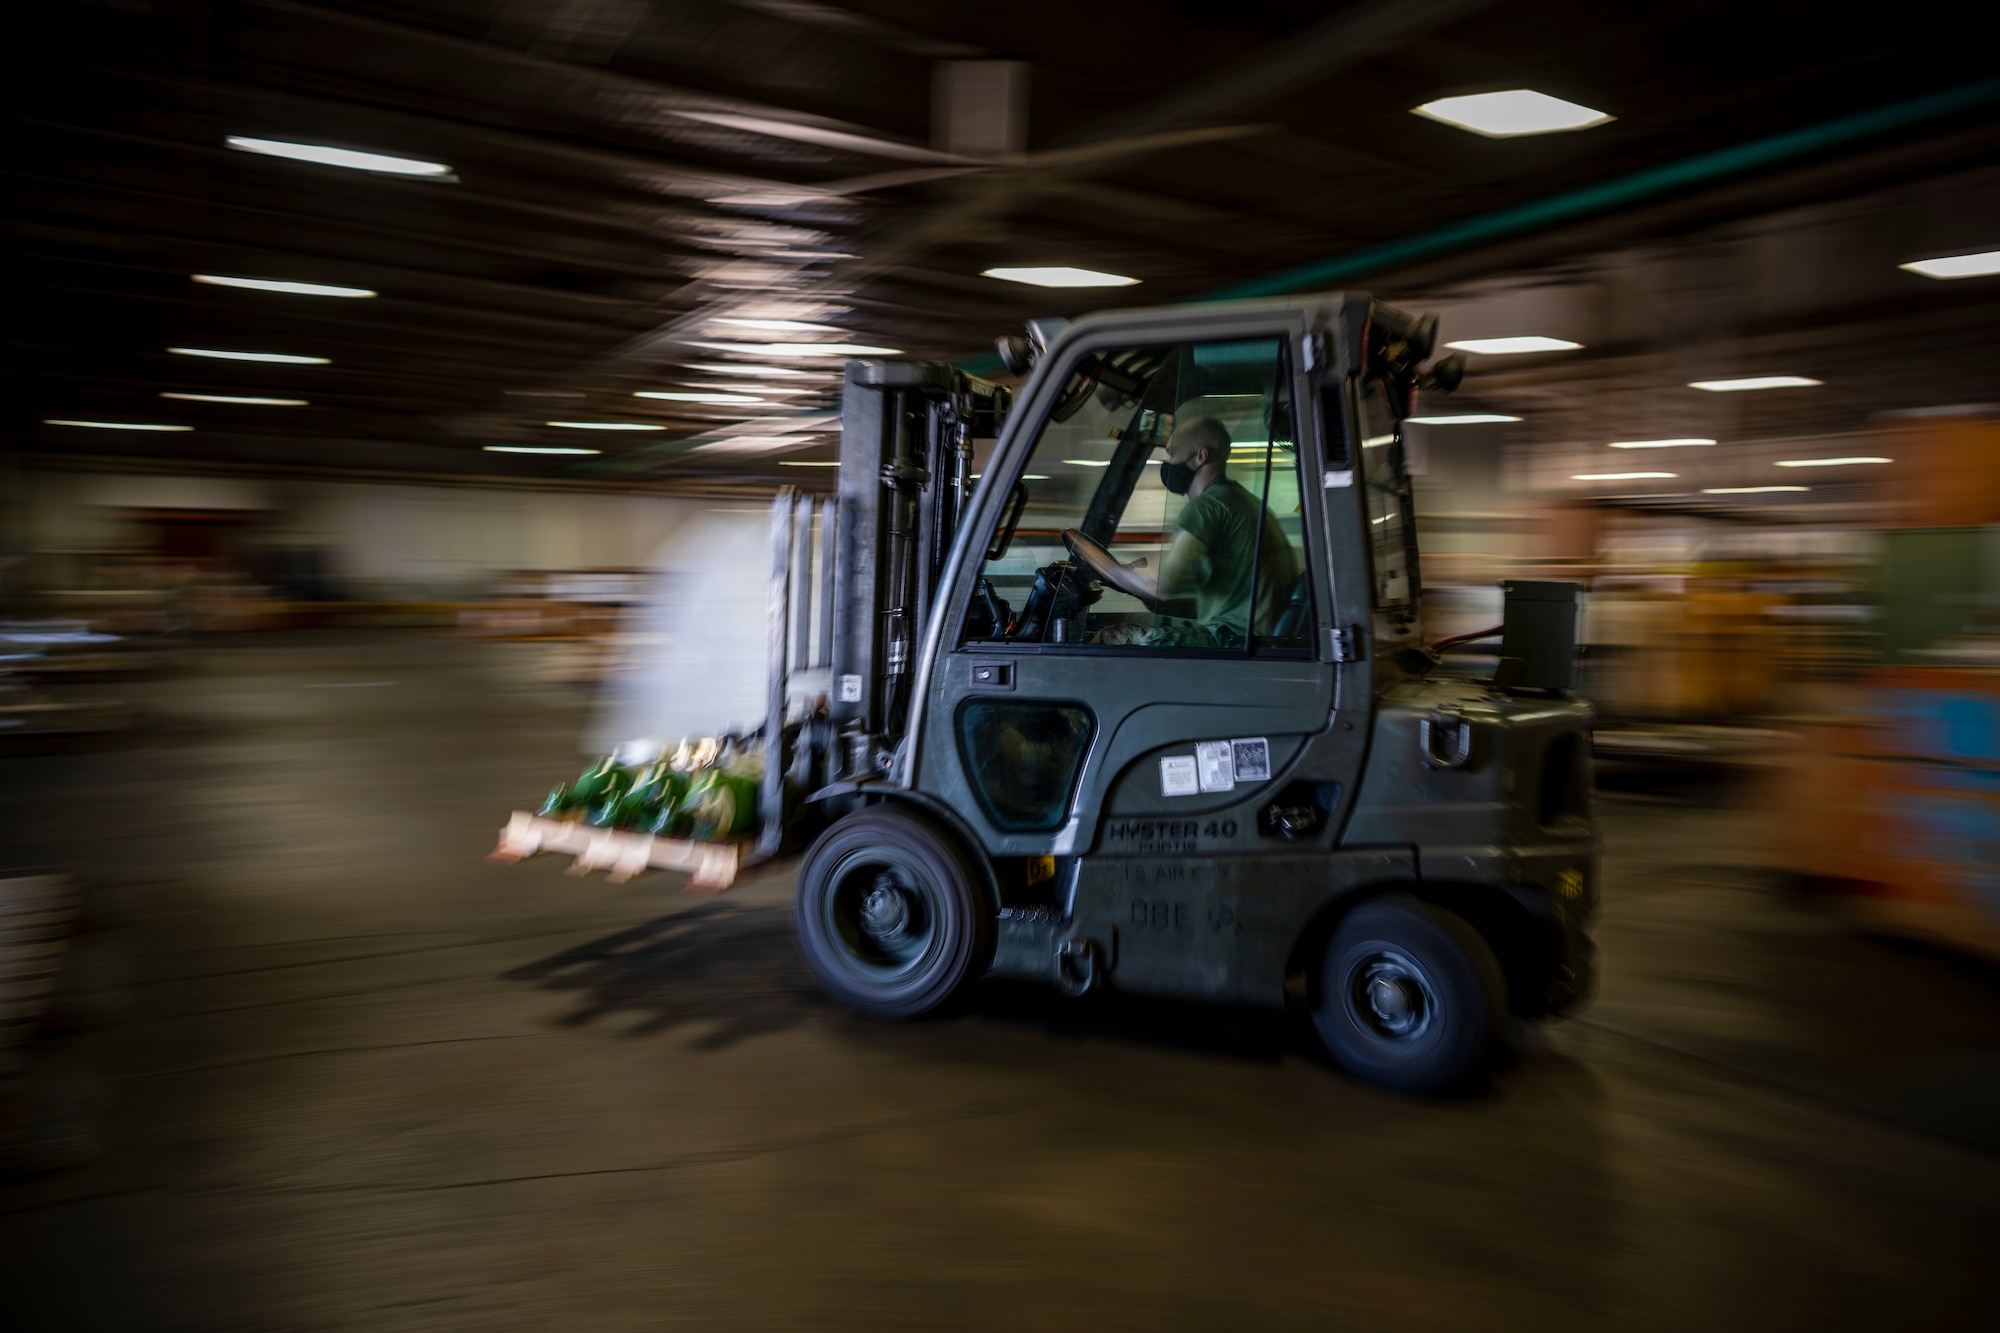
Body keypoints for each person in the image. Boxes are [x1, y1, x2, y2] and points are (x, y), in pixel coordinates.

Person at [1064, 415, 1300, 647]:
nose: (1167, 461)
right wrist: (1142, 592)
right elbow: (1221, 597)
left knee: (1112, 637)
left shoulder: (1207, 507)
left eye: (1173, 452)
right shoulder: (1242, 501)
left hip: (1232, 641)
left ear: (1201, 456)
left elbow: (1163, 587)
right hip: (1253, 637)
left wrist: (1109, 569)